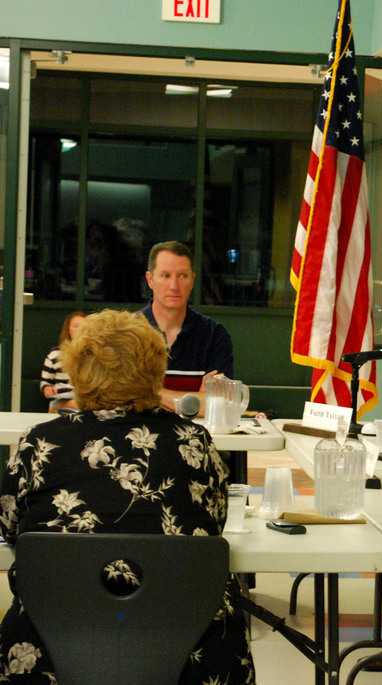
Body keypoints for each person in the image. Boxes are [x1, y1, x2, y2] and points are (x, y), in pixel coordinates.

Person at [0, 309, 254, 683]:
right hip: (189, 647)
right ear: (154, 372)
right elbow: (213, 522)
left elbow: (11, 528)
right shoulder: (194, 442)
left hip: (54, 643)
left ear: (77, 371)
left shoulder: (38, 443)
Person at [141, 240, 234, 408]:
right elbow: (118, 400)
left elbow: (218, 405)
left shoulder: (214, 335)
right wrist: (196, 399)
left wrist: (148, 393)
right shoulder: (127, 333)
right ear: (150, 280)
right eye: (165, 275)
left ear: (192, 280)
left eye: (182, 276)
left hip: (195, 433)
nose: (174, 286)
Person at [39, 310, 86, 412]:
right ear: (68, 329)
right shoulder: (55, 354)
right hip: (61, 400)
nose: (79, 330)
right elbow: (45, 381)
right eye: (76, 326)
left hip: (85, 401)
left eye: (83, 327)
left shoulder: (93, 355)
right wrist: (47, 389)